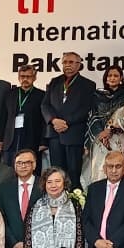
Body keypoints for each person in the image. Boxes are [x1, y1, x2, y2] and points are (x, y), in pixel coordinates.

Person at [42, 52, 95, 192]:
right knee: (56, 172)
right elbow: (45, 105)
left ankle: (74, 200)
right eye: (64, 62)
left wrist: (65, 122)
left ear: (79, 64)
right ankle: (57, 198)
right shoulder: (54, 81)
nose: (67, 65)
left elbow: (86, 109)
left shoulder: (88, 84)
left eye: (71, 62)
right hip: (55, 134)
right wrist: (54, 120)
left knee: (73, 173)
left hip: (73, 134)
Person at [84, 65, 124, 185]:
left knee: (118, 165)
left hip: (119, 137)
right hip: (100, 138)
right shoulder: (96, 96)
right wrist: (101, 132)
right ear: (105, 78)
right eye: (109, 75)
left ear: (121, 78)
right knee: (100, 167)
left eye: (116, 76)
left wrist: (111, 129)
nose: (112, 78)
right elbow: (92, 116)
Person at [1, 64, 47, 168]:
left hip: (32, 138)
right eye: (22, 76)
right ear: (18, 77)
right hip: (11, 139)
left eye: (28, 76)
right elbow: (3, 118)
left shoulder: (42, 95)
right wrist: (0, 139)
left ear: (34, 78)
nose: (25, 79)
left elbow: (44, 121)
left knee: (30, 168)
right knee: (9, 170)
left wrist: (43, 141)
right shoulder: (10, 94)